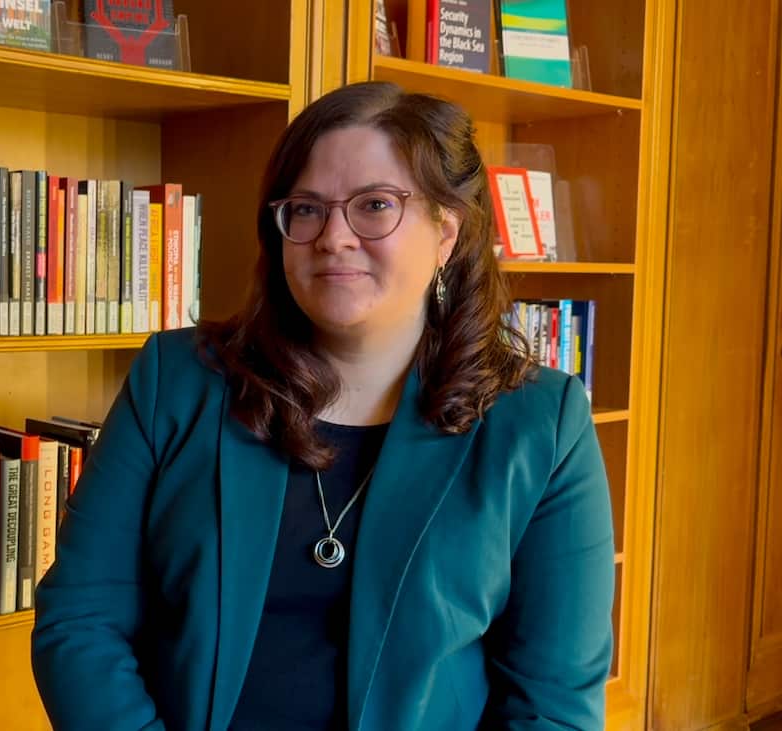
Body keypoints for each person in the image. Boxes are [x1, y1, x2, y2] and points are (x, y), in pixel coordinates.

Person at [31, 81, 615, 731]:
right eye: (306, 209)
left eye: (375, 205)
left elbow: (553, 704)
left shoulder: (541, 425)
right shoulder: (177, 380)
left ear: (445, 233)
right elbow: (80, 618)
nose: (333, 237)